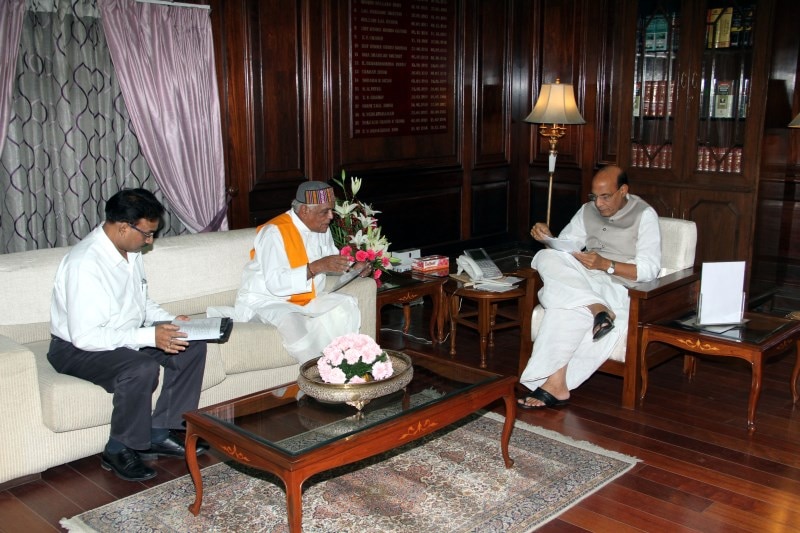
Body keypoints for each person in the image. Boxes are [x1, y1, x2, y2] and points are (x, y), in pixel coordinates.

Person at [47, 189, 209, 482]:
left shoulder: (129, 251)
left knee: (191, 346)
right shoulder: (85, 264)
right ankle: (118, 448)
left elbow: (141, 303)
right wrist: (149, 337)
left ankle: (160, 431)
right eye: (147, 234)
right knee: (140, 368)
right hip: (75, 348)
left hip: (122, 336)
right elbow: (86, 337)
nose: (150, 241)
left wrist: (169, 322)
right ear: (123, 227)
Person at [518, 165, 661, 409]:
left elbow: (649, 269)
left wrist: (607, 264)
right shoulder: (587, 211)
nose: (599, 204)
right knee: (545, 257)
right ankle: (596, 308)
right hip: (587, 281)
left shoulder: (645, 215)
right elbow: (565, 248)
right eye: (595, 197)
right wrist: (547, 237)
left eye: (606, 196)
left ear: (623, 190)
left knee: (562, 305)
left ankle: (556, 383)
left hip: (621, 286)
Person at [233, 181, 372, 363]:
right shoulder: (274, 232)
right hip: (266, 300)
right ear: (305, 210)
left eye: (332, 210)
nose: (331, 216)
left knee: (343, 306)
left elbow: (330, 264)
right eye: (325, 211)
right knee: (291, 319)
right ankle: (316, 375)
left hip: (306, 298)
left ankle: (345, 365)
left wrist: (353, 269)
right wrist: (317, 266)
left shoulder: (321, 229)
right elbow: (276, 284)